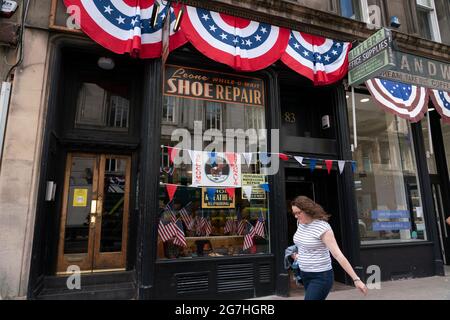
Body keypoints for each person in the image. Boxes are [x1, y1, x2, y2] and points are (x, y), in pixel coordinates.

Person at [291, 196, 368, 300]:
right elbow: (304, 245)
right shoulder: (300, 224)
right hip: (304, 273)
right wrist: (299, 255)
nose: (296, 216)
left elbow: (337, 254)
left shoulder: (323, 228)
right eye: (294, 213)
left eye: (298, 213)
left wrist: (356, 279)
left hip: (321, 276)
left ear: (307, 210)